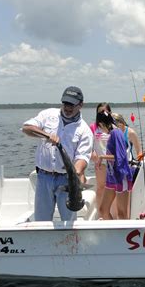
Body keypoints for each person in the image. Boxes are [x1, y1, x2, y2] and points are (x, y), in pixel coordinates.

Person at [22, 86, 93, 221]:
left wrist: (76, 173)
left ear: (81, 105)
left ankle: (70, 242)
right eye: (65, 103)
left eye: (72, 104)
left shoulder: (84, 130)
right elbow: (26, 128)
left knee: (68, 221)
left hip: (67, 179)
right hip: (44, 177)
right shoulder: (48, 115)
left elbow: (82, 157)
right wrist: (46, 135)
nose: (67, 108)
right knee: (41, 222)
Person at [96, 111, 134, 219]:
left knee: (122, 213)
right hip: (111, 175)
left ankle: (123, 234)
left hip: (121, 176)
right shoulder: (113, 133)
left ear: (102, 124)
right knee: (103, 209)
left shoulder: (116, 133)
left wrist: (102, 157)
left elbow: (121, 157)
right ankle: (113, 232)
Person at [90, 103, 112, 213]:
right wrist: (92, 153)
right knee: (101, 187)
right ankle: (100, 213)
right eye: (100, 112)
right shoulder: (93, 127)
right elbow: (88, 144)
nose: (102, 114)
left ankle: (112, 213)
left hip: (113, 163)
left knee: (113, 188)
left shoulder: (113, 127)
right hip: (100, 163)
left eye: (105, 111)